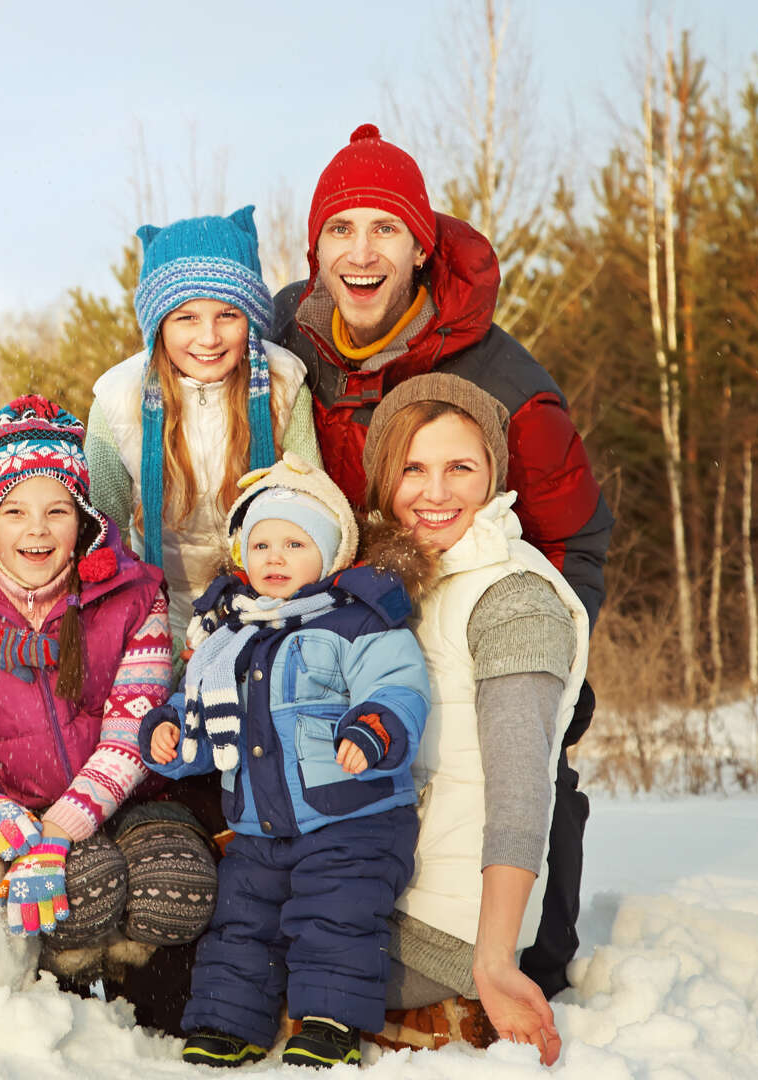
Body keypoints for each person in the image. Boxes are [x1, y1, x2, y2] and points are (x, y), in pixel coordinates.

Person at [273, 124, 613, 997]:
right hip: (348, 609)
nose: (361, 251)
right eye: (340, 229)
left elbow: (577, 533)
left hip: (478, 609)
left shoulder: (503, 380)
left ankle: (522, 940)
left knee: (512, 757)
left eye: (385, 229)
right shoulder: (284, 346)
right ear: (314, 247)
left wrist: (545, 663)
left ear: (421, 249)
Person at [0, 394, 219, 1016]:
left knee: (176, 887)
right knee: (82, 892)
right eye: (15, 511)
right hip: (20, 805)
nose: (37, 529)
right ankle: (67, 1004)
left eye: (57, 510)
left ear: (82, 521)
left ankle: (152, 1004)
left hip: (132, 795)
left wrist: (61, 831)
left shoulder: (131, 595)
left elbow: (130, 732)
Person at [138, 454, 430, 1070]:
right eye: (261, 543)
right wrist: (169, 731)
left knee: (337, 915)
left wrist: (375, 726)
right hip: (257, 826)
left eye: (294, 543)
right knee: (242, 923)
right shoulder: (228, 638)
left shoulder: (357, 622)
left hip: (353, 816)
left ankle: (329, 1022)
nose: (274, 556)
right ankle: (227, 1020)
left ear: (330, 556)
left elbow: (398, 685)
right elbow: (197, 709)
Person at [361, 373, 589, 1067]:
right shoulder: (400, 582)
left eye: (460, 468)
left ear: (493, 474)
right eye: (413, 469)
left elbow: (522, 789)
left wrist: (493, 956)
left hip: (442, 929)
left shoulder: (512, 596)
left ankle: (447, 1008)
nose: (435, 493)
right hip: (380, 885)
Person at [88, 205, 322, 658]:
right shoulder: (118, 401)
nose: (209, 337)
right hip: (157, 607)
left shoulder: (282, 386)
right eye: (186, 318)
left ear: (251, 319)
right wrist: (147, 629)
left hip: (265, 603)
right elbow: (104, 531)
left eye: (227, 315)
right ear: (158, 325)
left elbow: (308, 509)